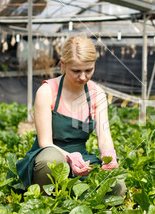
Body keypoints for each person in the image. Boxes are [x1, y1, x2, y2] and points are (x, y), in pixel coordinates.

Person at [16, 35, 126, 195]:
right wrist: (69, 158)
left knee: (118, 187)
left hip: (82, 159)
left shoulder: (97, 94)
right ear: (63, 64)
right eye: (76, 71)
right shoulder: (47, 92)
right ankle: (45, 199)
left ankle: (81, 206)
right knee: (51, 160)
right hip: (50, 154)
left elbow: (104, 137)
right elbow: (45, 142)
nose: (83, 77)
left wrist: (108, 157)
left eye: (89, 70)